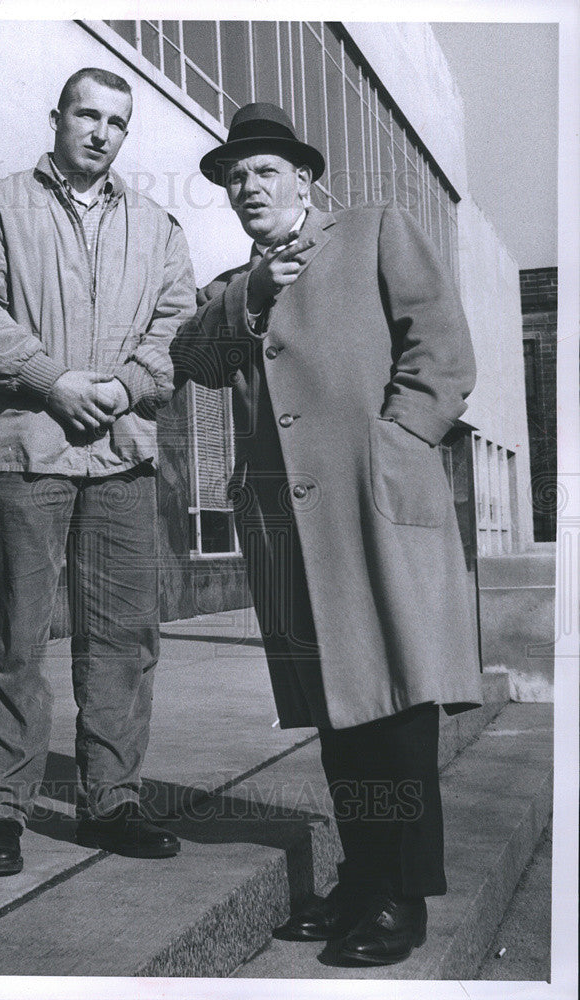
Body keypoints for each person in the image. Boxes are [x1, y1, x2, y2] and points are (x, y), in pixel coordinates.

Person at [171, 103, 482, 966]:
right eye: (234, 177)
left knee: (395, 703)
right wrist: (252, 292)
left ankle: (403, 894)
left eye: (263, 171)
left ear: (303, 179)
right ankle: (362, 876)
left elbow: (442, 348)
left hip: (373, 505)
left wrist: (396, 442)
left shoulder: (377, 229)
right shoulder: (237, 283)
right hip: (292, 528)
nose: (246, 186)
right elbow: (192, 359)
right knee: (339, 713)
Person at [0, 68, 195, 876]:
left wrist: (122, 387)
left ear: (125, 135)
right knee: (16, 636)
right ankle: (2, 810)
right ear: (56, 118)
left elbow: (177, 326)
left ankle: (111, 800)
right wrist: (55, 381)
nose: (100, 132)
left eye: (116, 123)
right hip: (28, 448)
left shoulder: (156, 226)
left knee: (123, 638)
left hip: (120, 454)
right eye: (87, 114)